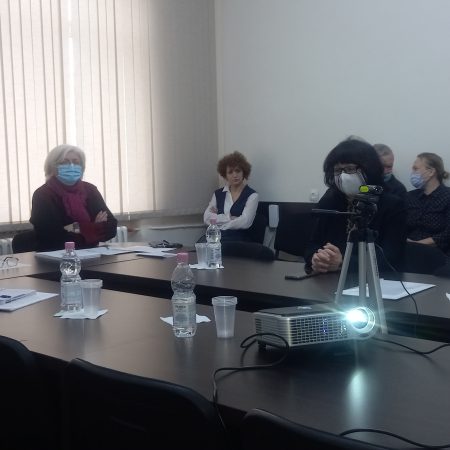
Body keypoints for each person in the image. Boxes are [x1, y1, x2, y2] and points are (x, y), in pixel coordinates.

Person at [304, 138, 406, 275]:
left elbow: (390, 258)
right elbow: (312, 244)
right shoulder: (330, 200)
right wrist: (316, 259)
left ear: (369, 169)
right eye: (338, 170)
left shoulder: (392, 205)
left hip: (375, 282)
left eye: (350, 169)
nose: (343, 176)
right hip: (329, 279)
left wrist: (343, 263)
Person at [30, 144, 118, 251]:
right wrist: (94, 227)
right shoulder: (43, 194)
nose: (71, 166)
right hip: (56, 255)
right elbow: (53, 238)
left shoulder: (90, 190)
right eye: (64, 162)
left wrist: (76, 228)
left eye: (76, 162)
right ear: (52, 167)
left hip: (91, 253)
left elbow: (111, 228)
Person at [203, 151, 259, 242]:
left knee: (219, 246)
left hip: (239, 239)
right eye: (230, 172)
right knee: (199, 245)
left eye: (238, 171)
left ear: (244, 172)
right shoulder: (218, 194)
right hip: (217, 236)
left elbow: (245, 222)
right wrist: (229, 218)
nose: (235, 175)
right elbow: (207, 218)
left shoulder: (252, 195)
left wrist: (219, 222)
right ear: (225, 176)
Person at [406, 152, 450, 254]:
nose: (412, 173)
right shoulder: (410, 196)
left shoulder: (448, 196)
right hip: (407, 251)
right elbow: (401, 226)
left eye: (415, 169)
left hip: (438, 254)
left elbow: (448, 234)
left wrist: (417, 244)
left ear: (430, 172)